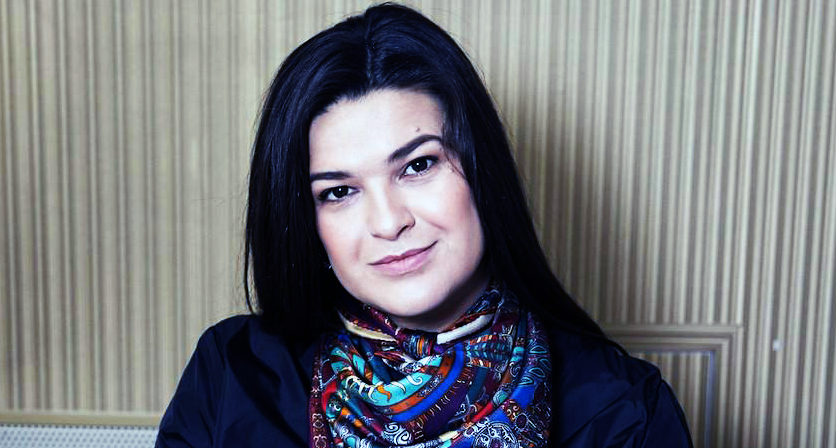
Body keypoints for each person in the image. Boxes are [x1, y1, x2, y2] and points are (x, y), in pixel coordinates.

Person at [156, 4, 693, 447]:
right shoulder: (232, 374)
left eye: (418, 165)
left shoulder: (623, 410)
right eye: (339, 192)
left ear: (482, 171)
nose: (389, 222)